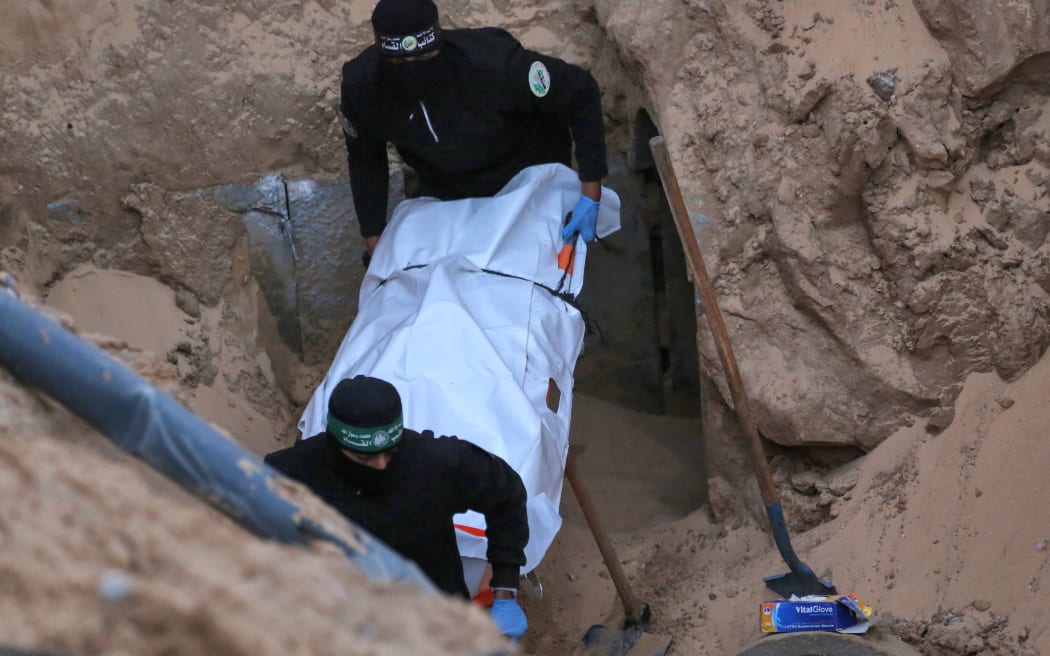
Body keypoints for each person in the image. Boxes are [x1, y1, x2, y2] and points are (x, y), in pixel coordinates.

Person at [339, 0, 608, 262]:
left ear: (439, 43)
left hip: (527, 178)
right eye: (399, 62)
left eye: (423, 57)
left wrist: (590, 193)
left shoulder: (494, 64)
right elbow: (366, 159)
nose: (413, 67)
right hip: (447, 195)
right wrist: (374, 244)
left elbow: (580, 91)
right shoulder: (363, 87)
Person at [264, 375, 530, 640]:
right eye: (364, 457)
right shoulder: (292, 475)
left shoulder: (437, 464)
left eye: (390, 452)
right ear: (335, 444)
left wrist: (505, 588)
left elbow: (506, 496)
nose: (381, 465)